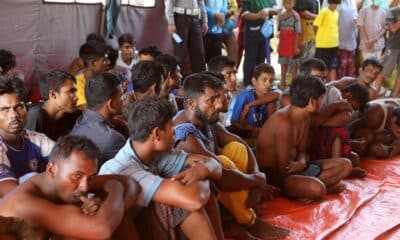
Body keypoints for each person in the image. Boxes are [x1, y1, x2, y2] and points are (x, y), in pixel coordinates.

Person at [174, 73, 289, 240]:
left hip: (217, 184)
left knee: (236, 149)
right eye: (211, 100)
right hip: (194, 194)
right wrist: (256, 181)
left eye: (218, 98)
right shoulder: (184, 135)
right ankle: (247, 220)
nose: (219, 104)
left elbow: (239, 142)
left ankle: (238, 215)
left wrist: (257, 178)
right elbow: (221, 176)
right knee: (221, 162)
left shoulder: (204, 117)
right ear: (191, 104)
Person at [100, 96, 223, 240]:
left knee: (191, 186)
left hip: (144, 223)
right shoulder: (126, 170)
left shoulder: (154, 153)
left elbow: (214, 164)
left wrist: (204, 170)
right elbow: (194, 200)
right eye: (172, 128)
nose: (175, 133)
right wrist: (202, 174)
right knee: (181, 203)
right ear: (157, 134)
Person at [0, 135, 140, 239]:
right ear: (51, 170)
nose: (85, 187)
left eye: (91, 178)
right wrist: (116, 188)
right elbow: (101, 229)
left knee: (113, 212)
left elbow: (132, 185)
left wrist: (105, 208)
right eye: (77, 176)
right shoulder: (25, 203)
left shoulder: (67, 180)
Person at [257, 75, 352, 201]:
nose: (323, 102)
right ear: (312, 102)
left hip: (297, 168)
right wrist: (301, 166)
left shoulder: (305, 116)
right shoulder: (283, 122)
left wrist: (302, 163)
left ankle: (307, 189)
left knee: (346, 165)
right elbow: (283, 167)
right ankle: (309, 188)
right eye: (321, 98)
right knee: (318, 189)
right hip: (275, 175)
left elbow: (302, 151)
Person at [0, 76, 54, 197]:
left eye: (18, 107)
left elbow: (67, 161)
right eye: (5, 109)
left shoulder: (37, 140)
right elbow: (13, 197)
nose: (14, 115)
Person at [70, 72, 126, 167]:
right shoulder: (112, 138)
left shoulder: (80, 121)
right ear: (111, 104)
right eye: (121, 96)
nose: (124, 99)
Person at [25, 70, 81, 141]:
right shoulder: (35, 115)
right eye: (71, 92)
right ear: (53, 95)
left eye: (75, 92)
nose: (76, 97)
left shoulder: (74, 114)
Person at [231, 63, 279, 138]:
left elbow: (277, 94)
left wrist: (249, 106)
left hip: (264, 133)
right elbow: (234, 122)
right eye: (264, 80)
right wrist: (255, 129)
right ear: (254, 81)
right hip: (246, 134)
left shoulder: (272, 96)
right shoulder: (244, 96)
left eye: (271, 80)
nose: (268, 84)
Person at [241, 0, 279, 86]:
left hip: (265, 33)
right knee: (250, 58)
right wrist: (259, 15)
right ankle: (248, 83)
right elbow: (245, 14)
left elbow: (276, 10)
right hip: (252, 34)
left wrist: (268, 10)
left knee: (261, 58)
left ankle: (259, 82)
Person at [165, 0, 208, 74]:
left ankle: (201, 82)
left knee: (199, 53)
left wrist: (205, 20)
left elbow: (201, 2)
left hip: (195, 18)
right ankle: (177, 82)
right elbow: (169, 1)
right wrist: (171, 22)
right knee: (180, 53)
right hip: (180, 18)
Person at [375, 5, 400, 97]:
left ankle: (395, 95)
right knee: (383, 71)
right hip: (393, 47)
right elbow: (393, 29)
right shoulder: (392, 12)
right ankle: (375, 93)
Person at [313, 0, 341, 81]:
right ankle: (319, 83)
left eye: (336, 3)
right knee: (320, 67)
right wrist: (320, 37)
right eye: (333, 3)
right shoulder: (323, 12)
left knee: (333, 66)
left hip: (334, 44)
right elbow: (315, 26)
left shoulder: (336, 13)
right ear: (329, 2)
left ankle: (332, 84)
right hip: (323, 45)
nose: (334, 5)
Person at [75, 41, 108, 109]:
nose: (107, 63)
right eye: (104, 61)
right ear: (92, 63)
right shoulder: (77, 83)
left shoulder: (100, 80)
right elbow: (87, 111)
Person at [277, 0, 301, 89]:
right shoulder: (281, 16)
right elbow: (280, 31)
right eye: (286, 2)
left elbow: (298, 32)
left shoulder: (295, 16)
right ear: (283, 3)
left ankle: (294, 84)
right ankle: (283, 82)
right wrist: (278, 45)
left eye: (290, 2)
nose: (288, 4)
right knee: (283, 63)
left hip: (292, 43)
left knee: (293, 64)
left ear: (294, 3)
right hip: (283, 43)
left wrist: (296, 47)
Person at [337, 0, 358, 79]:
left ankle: (351, 87)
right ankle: (341, 88)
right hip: (339, 37)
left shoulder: (352, 1)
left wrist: (356, 19)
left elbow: (356, 15)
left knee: (351, 65)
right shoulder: (336, 2)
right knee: (342, 65)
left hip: (351, 37)